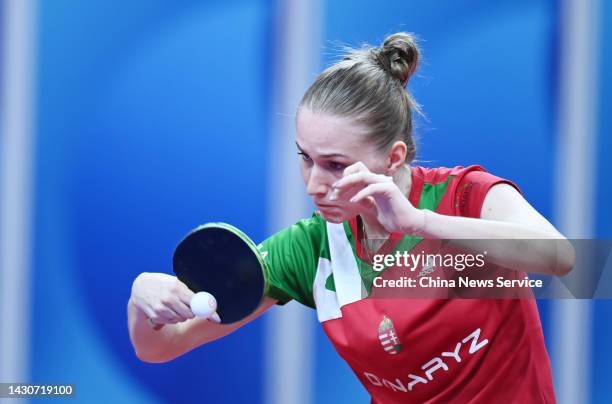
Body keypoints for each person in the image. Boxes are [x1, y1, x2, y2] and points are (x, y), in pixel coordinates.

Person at [128, 32, 574, 403]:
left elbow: (566, 262)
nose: (313, 184)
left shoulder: (465, 197)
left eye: (336, 165)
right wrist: (141, 302)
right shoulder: (311, 250)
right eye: (305, 158)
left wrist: (421, 223)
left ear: (393, 156)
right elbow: (160, 347)